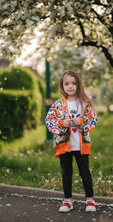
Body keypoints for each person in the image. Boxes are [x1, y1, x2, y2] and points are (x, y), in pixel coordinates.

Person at [45, 70, 98, 213]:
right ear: (62, 86)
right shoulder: (58, 104)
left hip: (81, 145)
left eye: (73, 83)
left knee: (85, 172)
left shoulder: (84, 103)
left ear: (78, 85)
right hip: (64, 145)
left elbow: (93, 119)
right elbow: (49, 121)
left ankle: (90, 200)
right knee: (66, 173)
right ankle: (68, 201)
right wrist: (62, 124)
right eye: (66, 83)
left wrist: (81, 120)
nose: (70, 86)